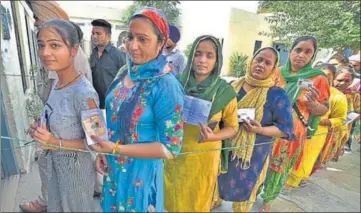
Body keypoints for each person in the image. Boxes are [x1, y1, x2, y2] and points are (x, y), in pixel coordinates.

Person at [89, 7, 185, 212]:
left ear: (161, 43)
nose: (132, 46)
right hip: (114, 170)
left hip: (140, 176)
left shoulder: (165, 85)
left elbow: (171, 148)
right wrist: (103, 152)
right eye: (130, 37)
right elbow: (113, 115)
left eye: (143, 39)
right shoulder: (126, 71)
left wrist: (115, 149)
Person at [28, 19, 101, 212]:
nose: (45, 52)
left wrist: (54, 141)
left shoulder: (84, 94)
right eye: (41, 45)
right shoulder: (57, 85)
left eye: (55, 45)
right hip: (54, 171)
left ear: (74, 50)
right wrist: (40, 128)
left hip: (75, 175)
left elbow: (97, 142)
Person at [164, 35, 239, 212]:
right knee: (173, 197)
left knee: (197, 200)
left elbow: (232, 128)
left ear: (217, 60)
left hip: (203, 157)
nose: (202, 60)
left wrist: (215, 136)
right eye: (198, 54)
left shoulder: (224, 92)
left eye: (209, 55)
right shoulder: (176, 83)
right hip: (175, 153)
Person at [217, 47, 295, 212]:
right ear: (251, 61)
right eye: (258, 60)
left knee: (246, 188)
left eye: (268, 63)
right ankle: (215, 201)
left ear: (273, 69)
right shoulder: (232, 86)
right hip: (225, 147)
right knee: (219, 179)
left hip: (253, 155)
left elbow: (285, 129)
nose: (261, 65)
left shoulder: (277, 95)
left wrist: (261, 130)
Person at [260, 36, 330, 212]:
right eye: (298, 50)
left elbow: (324, 109)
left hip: (291, 132)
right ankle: (253, 191)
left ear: (313, 56)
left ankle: (268, 199)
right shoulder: (276, 72)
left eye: (308, 52)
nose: (301, 55)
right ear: (290, 51)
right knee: (259, 161)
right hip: (266, 126)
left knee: (278, 166)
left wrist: (314, 105)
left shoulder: (318, 79)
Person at [20, 2, 70, 212]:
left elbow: (59, 98)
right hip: (58, 133)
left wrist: (47, 131)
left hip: (63, 136)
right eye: (40, 45)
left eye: (38, 20)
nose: (34, 24)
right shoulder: (57, 56)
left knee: (57, 171)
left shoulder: (62, 61)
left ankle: (46, 202)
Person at [310, 63, 347, 175]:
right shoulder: (305, 87)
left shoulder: (337, 96)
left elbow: (341, 119)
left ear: (333, 77)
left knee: (309, 159)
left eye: (327, 76)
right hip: (297, 130)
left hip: (317, 133)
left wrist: (320, 122)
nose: (322, 78)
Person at [90, 19, 126, 109]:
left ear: (108, 36)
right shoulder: (93, 55)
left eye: (98, 33)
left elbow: (127, 79)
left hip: (113, 105)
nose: (94, 36)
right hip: (96, 104)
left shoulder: (118, 55)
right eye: (93, 33)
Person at [333, 66, 360, 155]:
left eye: (347, 81)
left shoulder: (353, 94)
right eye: (339, 80)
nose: (342, 83)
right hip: (324, 128)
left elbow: (358, 110)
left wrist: (352, 116)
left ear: (352, 82)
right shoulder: (327, 91)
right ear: (333, 77)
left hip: (341, 131)